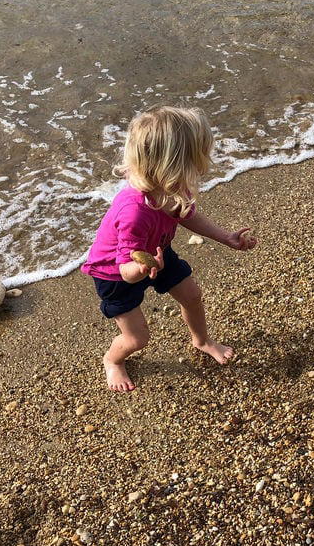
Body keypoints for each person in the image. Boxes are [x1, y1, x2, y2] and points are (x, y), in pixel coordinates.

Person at [81, 106, 257, 391]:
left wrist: (226, 237)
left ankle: (201, 340)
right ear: (176, 163)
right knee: (137, 339)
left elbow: (185, 215)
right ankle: (112, 361)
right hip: (117, 273)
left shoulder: (173, 187)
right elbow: (126, 270)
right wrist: (144, 267)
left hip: (159, 253)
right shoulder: (134, 212)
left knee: (192, 295)